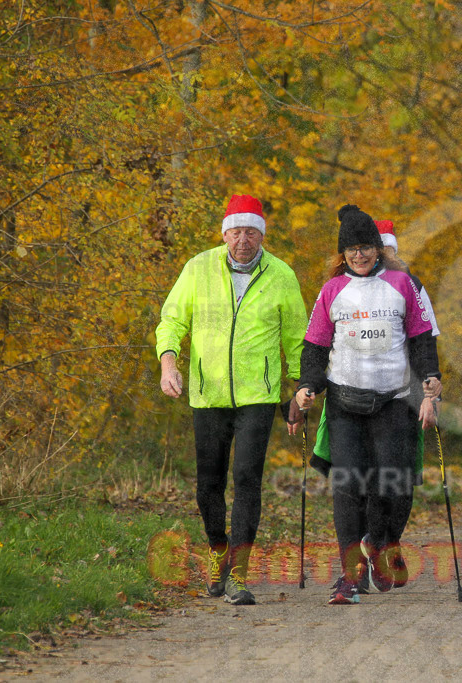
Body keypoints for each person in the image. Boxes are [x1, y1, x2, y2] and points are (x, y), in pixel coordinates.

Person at [155, 194, 308, 606]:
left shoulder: (281, 275)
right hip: (208, 395)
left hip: (258, 395)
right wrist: (169, 365)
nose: (243, 239)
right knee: (209, 483)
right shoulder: (198, 268)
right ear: (224, 233)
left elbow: (296, 338)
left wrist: (297, 390)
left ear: (262, 234)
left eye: (251, 232)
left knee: (246, 479)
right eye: (236, 231)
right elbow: (171, 321)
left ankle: (238, 573)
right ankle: (217, 551)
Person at [294, 204, 441, 605]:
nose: (359, 255)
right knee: (347, 486)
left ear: (378, 249)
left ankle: (375, 543)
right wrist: (308, 384)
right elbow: (315, 345)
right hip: (345, 402)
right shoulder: (331, 290)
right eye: (351, 250)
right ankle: (350, 575)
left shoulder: (401, 283)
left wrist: (431, 378)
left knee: (391, 482)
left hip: (392, 401)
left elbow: (422, 337)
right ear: (342, 254)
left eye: (365, 248)